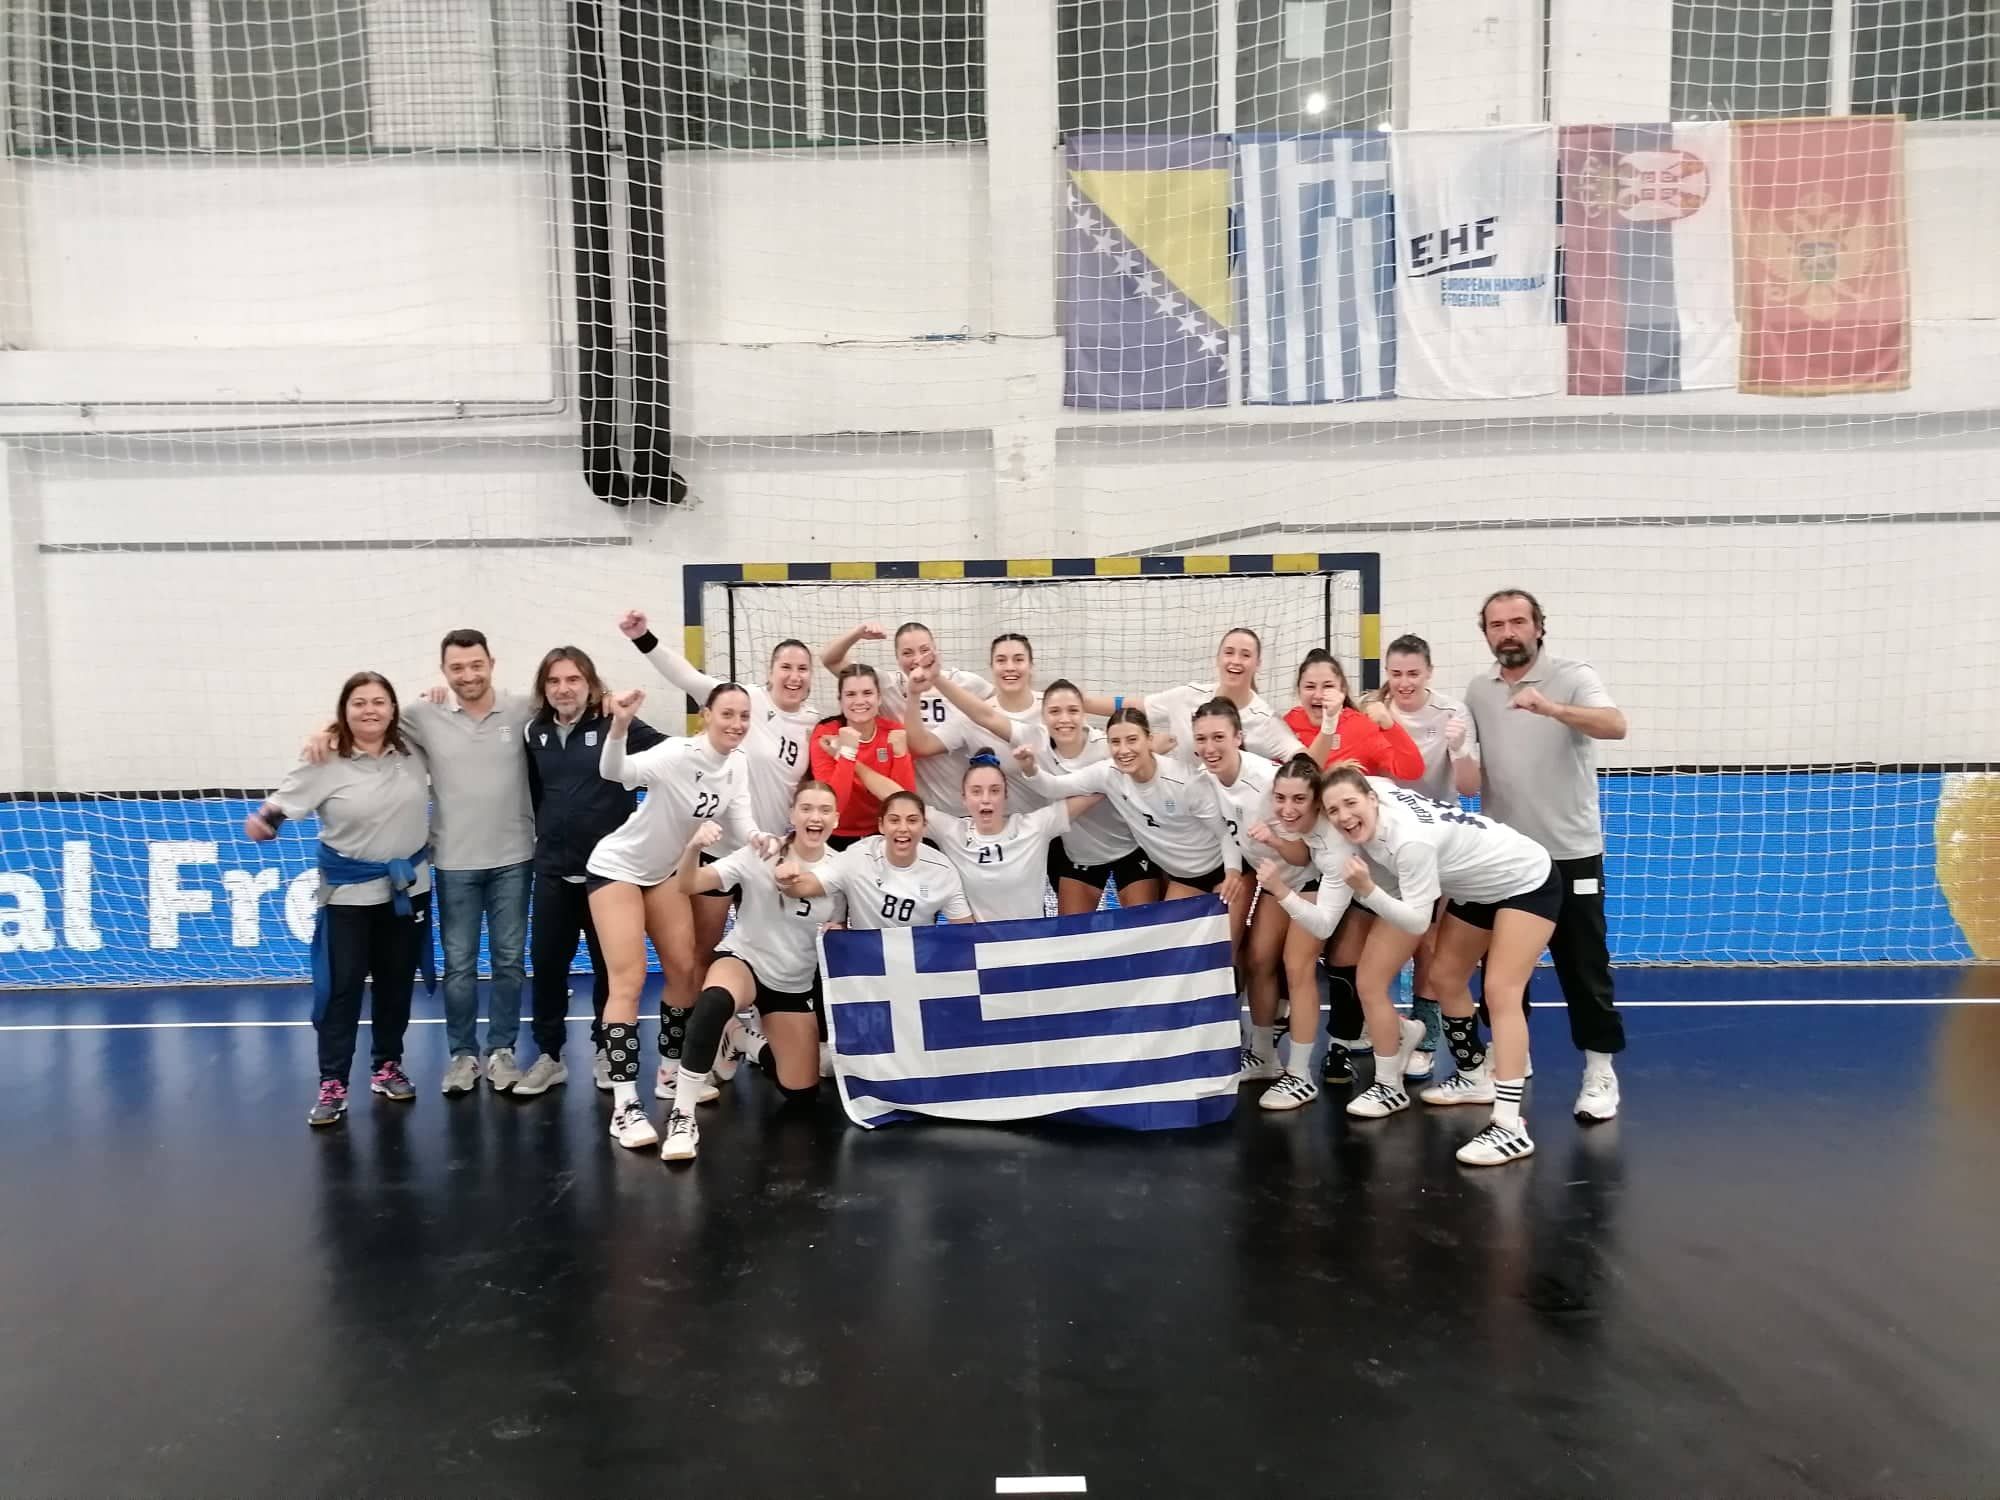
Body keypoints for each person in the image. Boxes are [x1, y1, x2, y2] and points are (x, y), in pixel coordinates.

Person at [1260, 767, 1561, 1164]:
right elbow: (1325, 920)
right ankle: (1473, 1076)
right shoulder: (1367, 804)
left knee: (1501, 992)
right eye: (1334, 809)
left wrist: (1366, 889)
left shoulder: (1408, 843)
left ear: (1370, 799)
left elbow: (1419, 923)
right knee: (1445, 978)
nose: (1344, 815)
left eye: (1350, 804)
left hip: (1524, 878)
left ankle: (1509, 1125)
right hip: (1475, 887)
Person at [1464, 589, 1628, 1124]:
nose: (1508, 632)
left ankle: (1599, 1070)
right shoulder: (1479, 691)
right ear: (1486, 633)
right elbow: (1467, 766)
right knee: (1501, 970)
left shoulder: (1573, 676)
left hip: (1570, 853)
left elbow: (1615, 724)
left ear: (1539, 627)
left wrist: (1553, 708)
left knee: (1583, 966)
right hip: (1506, 859)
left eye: (1518, 621)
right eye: (1497, 625)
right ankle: (1512, 1056)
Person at [247, 672, 432, 1127]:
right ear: (343, 711)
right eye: (359, 703)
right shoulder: (324, 758)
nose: (370, 710)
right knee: (341, 990)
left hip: (407, 891)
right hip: (348, 896)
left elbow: (443, 716)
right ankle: (333, 1082)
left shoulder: (413, 750)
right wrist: (266, 821)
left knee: (395, 985)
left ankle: (387, 1066)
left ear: (393, 709)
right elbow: (280, 806)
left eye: (379, 702)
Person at [588, 684, 758, 1150]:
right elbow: (615, 771)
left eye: (744, 716)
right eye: (727, 714)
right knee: (629, 979)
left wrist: (759, 839)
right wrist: (620, 726)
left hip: (663, 872)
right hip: (617, 868)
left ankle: (669, 1073)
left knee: (684, 971)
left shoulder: (738, 763)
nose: (736, 724)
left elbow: (742, 821)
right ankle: (625, 1106)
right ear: (706, 715)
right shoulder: (676, 754)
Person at [658, 780, 847, 1163]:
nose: (815, 817)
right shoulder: (761, 851)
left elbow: (847, 922)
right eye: (807, 808)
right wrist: (693, 847)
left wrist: (839, 928)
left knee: (801, 1093)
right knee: (714, 1001)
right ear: (792, 814)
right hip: (745, 960)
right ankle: (682, 1116)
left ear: (836, 819)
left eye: (825, 810)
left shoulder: (843, 870)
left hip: (792, 984)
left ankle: (745, 1041)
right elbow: (688, 883)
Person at [519, 646, 666, 1097]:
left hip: (609, 877)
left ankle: (606, 1049)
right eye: (554, 681)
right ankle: (549, 1056)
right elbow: (538, 793)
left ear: (590, 684)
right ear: (544, 688)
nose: (563, 689)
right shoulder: (534, 731)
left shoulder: (615, 723)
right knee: (547, 967)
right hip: (553, 874)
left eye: (573, 679)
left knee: (610, 969)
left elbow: (670, 754)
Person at [913, 667, 1162, 915]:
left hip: (1129, 848)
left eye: (1073, 710)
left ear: (1084, 713)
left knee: (1142, 925)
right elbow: (985, 716)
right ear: (1042, 716)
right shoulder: (1034, 740)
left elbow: (1153, 748)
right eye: (1055, 711)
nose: (1064, 719)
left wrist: (1150, 752)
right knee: (1070, 934)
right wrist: (936, 678)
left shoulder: (1107, 747)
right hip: (1080, 856)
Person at [406, 629, 537, 1097]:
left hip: (514, 857)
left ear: (491, 663)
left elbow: (575, 703)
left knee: (509, 961)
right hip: (453, 861)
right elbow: (365, 721)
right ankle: (462, 1054)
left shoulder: (523, 708)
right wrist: (323, 733)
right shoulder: (423, 713)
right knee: (459, 966)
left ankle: (501, 1050)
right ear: (443, 671)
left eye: (476, 665)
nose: (467, 675)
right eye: (457, 668)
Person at [1377, 633, 1482, 1081]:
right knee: (1379, 940)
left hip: (1436, 839)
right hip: (1381, 839)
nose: (1404, 682)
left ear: (1429, 673)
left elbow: (1471, 787)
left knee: (1429, 940)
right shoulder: (1372, 708)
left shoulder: (1452, 712)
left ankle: (1426, 1040)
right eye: (1396, 673)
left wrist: (1459, 749)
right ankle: (1381, 1028)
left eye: (1413, 673)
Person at [619, 609, 819, 839]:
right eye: (786, 667)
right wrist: (642, 636)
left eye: (802, 669)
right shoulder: (744, 699)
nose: (795, 676)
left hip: (771, 844)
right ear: (771, 671)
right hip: (719, 844)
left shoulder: (812, 721)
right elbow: (687, 677)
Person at [1015, 706, 1246, 904]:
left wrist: (1233, 873)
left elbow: (1225, 833)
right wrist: (1030, 769)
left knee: (1231, 940)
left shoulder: (1185, 781)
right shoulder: (1109, 774)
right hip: (1182, 879)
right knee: (1170, 939)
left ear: (1149, 740)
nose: (1123, 750)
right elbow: (1054, 787)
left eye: (1132, 740)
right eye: (1115, 742)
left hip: (1223, 869)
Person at [821, 620, 992, 815]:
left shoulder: (965, 683)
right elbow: (830, 660)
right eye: (907, 653)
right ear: (897, 658)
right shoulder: (888, 686)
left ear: (936, 650)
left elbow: (1001, 710)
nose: (917, 659)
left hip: (969, 805)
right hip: (922, 811)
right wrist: (857, 633)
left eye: (924, 650)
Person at [1080, 627, 1305, 769]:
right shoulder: (1188, 696)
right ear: (1218, 658)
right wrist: (1083, 703)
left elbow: (1301, 757)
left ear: (1257, 664)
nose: (1235, 661)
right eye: (1229, 652)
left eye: (1245, 655)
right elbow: (1136, 706)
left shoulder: (1266, 720)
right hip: (1183, 808)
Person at [920, 754, 1102, 922]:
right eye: (976, 791)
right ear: (964, 798)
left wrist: (1114, 772)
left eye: (994, 791)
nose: (986, 799)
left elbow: (1097, 789)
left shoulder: (1034, 827)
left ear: (1005, 796)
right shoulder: (951, 832)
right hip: (981, 945)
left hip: (1031, 942)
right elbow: (906, 805)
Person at [776, 790, 973, 929]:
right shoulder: (857, 857)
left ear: (924, 827)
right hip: (868, 966)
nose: (903, 828)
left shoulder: (943, 870)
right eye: (894, 820)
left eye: (912, 820)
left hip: (917, 966)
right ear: (881, 826)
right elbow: (802, 888)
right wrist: (785, 880)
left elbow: (966, 933)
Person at [810, 664, 917, 848]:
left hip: (881, 832)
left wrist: (901, 756)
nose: (859, 701)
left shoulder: (893, 732)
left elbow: (904, 803)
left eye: (867, 693)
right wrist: (847, 754)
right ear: (840, 700)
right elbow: (834, 807)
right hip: (835, 833)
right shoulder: (826, 734)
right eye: (851, 694)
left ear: (879, 698)